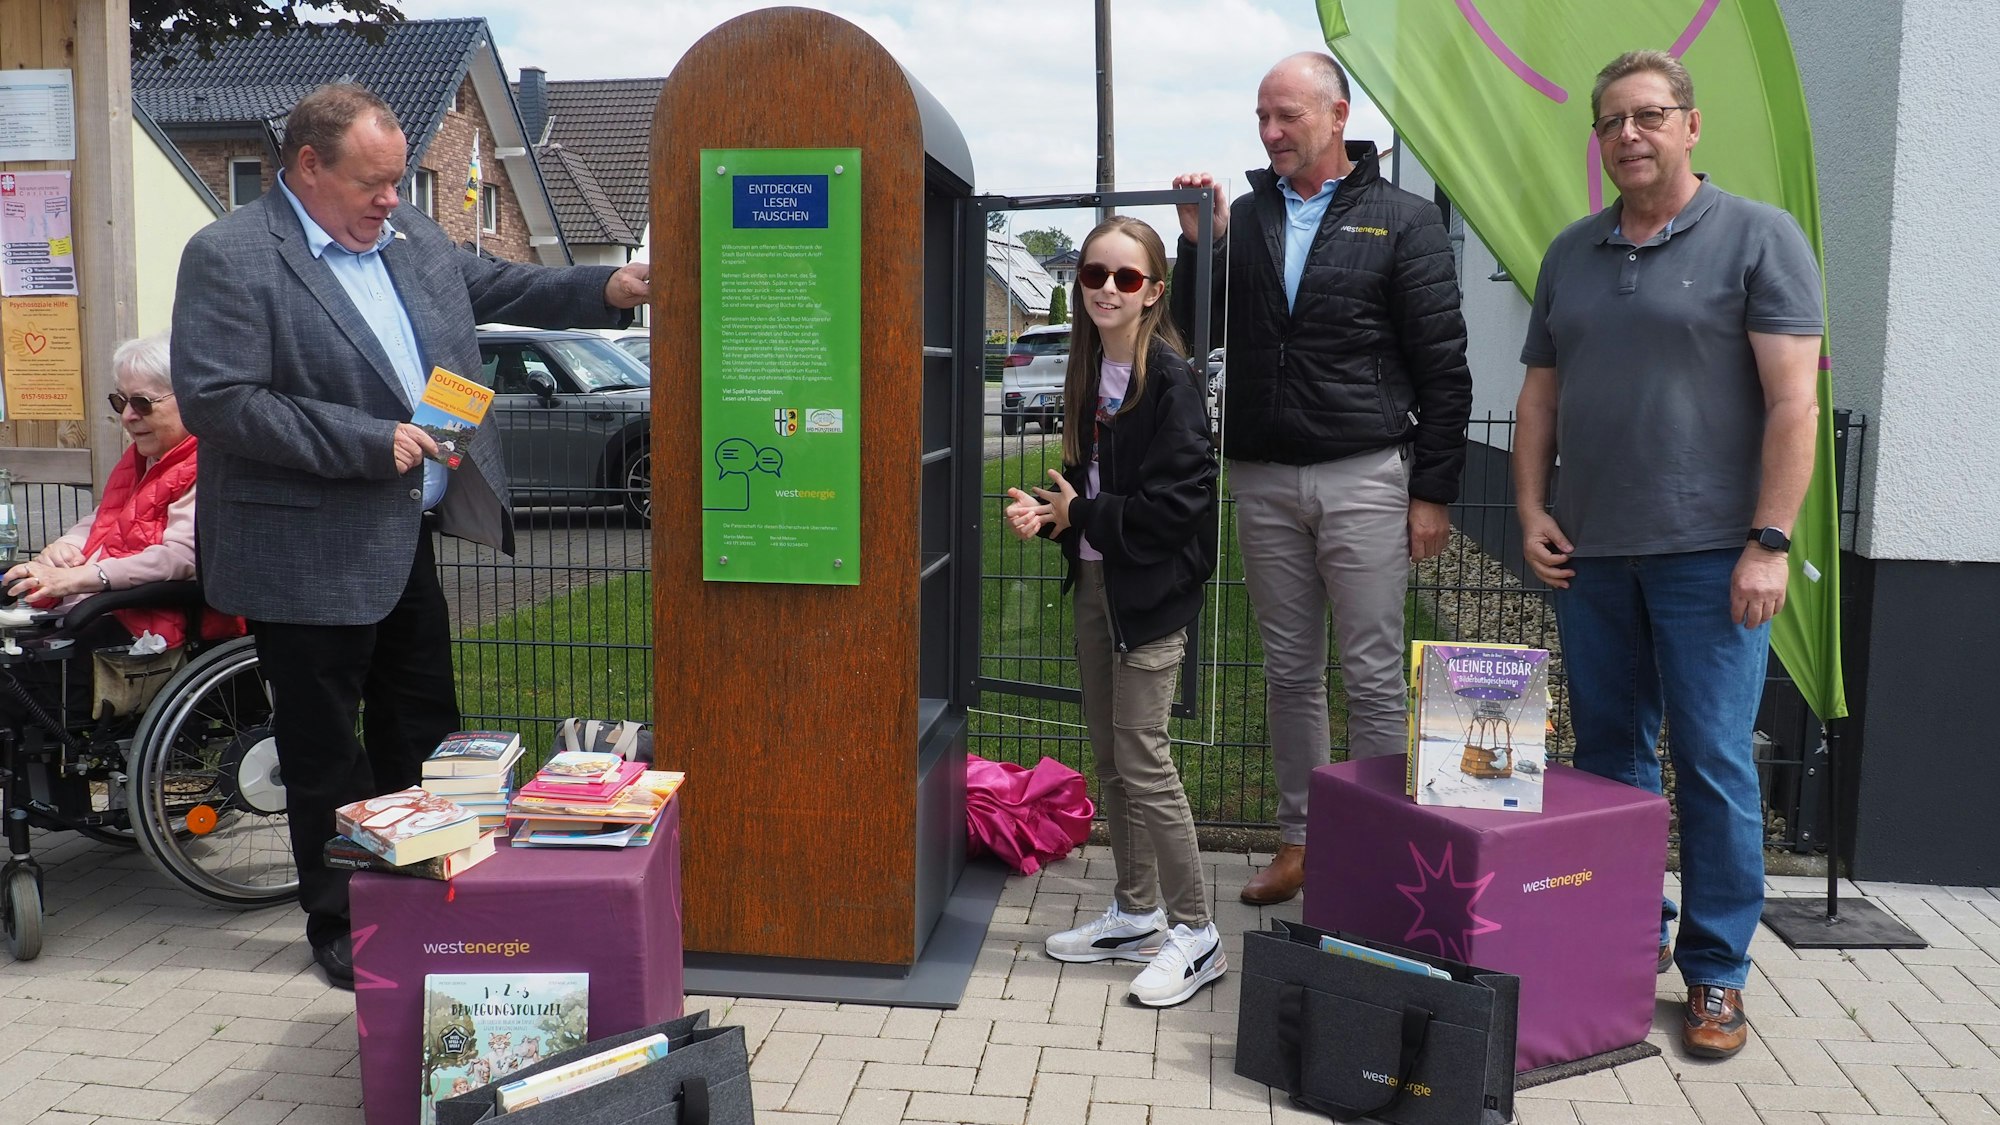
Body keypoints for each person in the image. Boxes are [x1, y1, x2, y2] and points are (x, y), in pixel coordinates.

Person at [170, 82, 650, 990]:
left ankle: (429, 892)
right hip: (304, 552)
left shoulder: (406, 237)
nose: (394, 199)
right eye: (375, 183)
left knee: (427, 734)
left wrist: (609, 285)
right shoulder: (231, 256)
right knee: (327, 753)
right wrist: (367, 440)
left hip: (404, 537)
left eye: (398, 182)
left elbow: (502, 282)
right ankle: (345, 920)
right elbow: (221, 401)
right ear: (308, 167)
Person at [1513, 50, 1823, 1060]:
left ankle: (1716, 974)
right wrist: (1527, 509)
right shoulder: (1569, 252)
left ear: (1689, 126)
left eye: (1648, 116)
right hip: (1592, 555)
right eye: (1609, 122)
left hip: (1709, 560)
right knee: (1604, 765)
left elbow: (1792, 403)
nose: (1627, 135)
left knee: (1712, 765)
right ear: (1595, 141)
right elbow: (1537, 400)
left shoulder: (1757, 238)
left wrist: (1766, 543)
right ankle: (1616, 939)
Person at [1171, 52, 1471, 905]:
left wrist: (1433, 491)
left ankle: (1372, 843)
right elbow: (1198, 328)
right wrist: (1203, 248)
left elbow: (1445, 369)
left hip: (1365, 475)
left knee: (1373, 673)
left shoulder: (1402, 220)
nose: (1270, 134)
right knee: (1290, 672)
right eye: (1262, 118)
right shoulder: (1252, 216)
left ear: (1337, 116)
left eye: (1287, 117)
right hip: (1263, 477)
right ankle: (1301, 840)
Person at [1005, 216, 1223, 1008]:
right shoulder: (1089, 371)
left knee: (1144, 757)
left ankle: (1196, 932)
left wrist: (1084, 518)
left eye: (1125, 278)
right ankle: (1136, 912)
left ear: (1153, 292)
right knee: (1111, 754)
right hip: (1098, 589)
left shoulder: (1169, 379)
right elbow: (1088, 489)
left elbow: (1179, 506)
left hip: (1151, 595)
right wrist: (1048, 511)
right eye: (1094, 274)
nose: (1105, 288)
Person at [2, 333, 239, 721]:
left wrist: (83, 577)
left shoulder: (207, 467)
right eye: (120, 401)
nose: (128, 415)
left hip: (155, 632)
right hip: (114, 614)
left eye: (142, 403)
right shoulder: (148, 458)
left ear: (192, 402)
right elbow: (106, 517)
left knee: (16, 681)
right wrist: (65, 546)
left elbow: (181, 557)